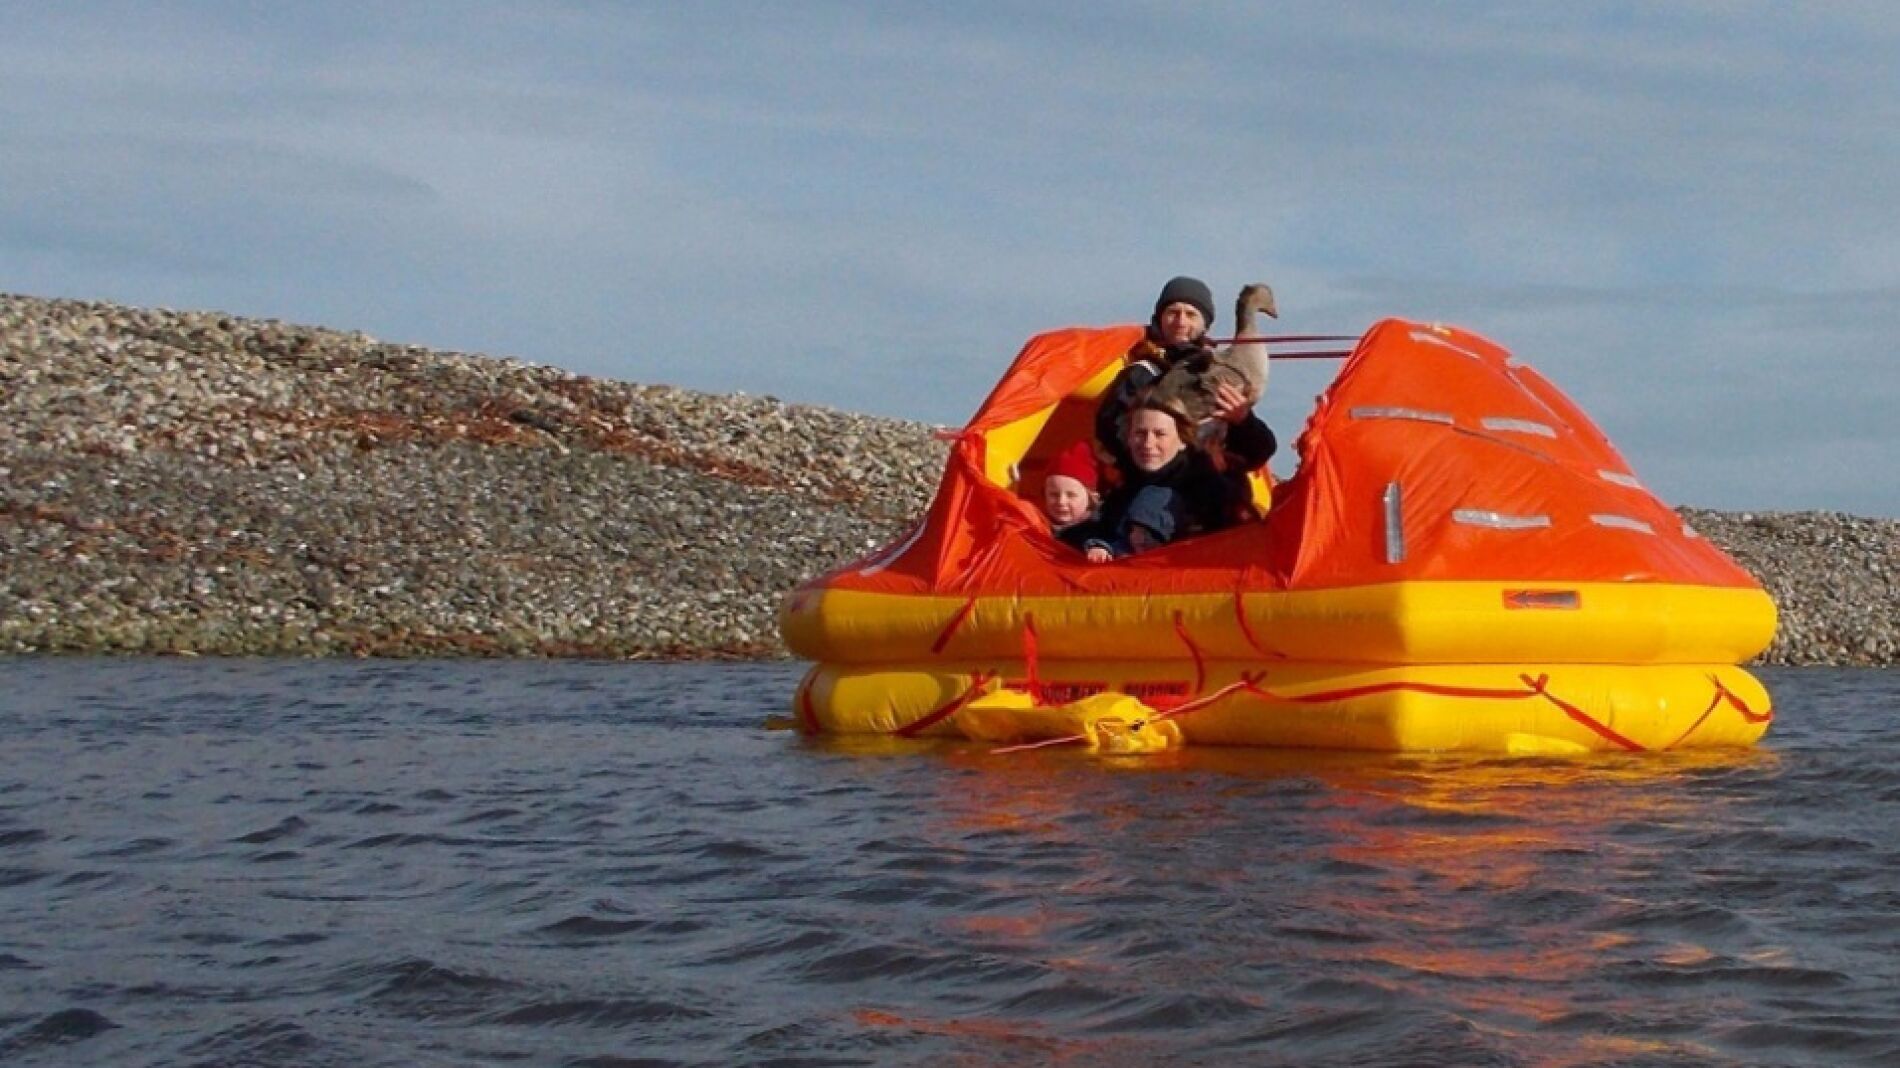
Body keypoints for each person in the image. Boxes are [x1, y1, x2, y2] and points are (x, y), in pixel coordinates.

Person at [1095, 276, 1273, 478]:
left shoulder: (1221, 373)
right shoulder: (1141, 373)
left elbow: (1259, 452)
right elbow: (1110, 430)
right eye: (1172, 312)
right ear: (1159, 318)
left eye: (1190, 314)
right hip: (1157, 487)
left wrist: (1243, 421)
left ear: (1205, 324)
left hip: (1211, 492)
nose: (1181, 321)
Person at [1080, 400, 1273, 560]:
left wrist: (1245, 422)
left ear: (1182, 441)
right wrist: (1098, 546)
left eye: (1159, 434)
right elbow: (1097, 527)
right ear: (1129, 439)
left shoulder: (1208, 485)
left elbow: (1256, 452)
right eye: (1140, 433)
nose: (1148, 443)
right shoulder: (1123, 490)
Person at [1079, 485, 1178, 563]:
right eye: (1134, 530)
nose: (1140, 539)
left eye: (1150, 533)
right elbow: (1107, 544)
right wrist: (1099, 549)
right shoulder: (1123, 547)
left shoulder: (1172, 557)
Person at [1039, 440, 1101, 545]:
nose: (1061, 502)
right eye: (1054, 494)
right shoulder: (1039, 524)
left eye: (1071, 495)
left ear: (1091, 498)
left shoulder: (1098, 529)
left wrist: (1099, 547)